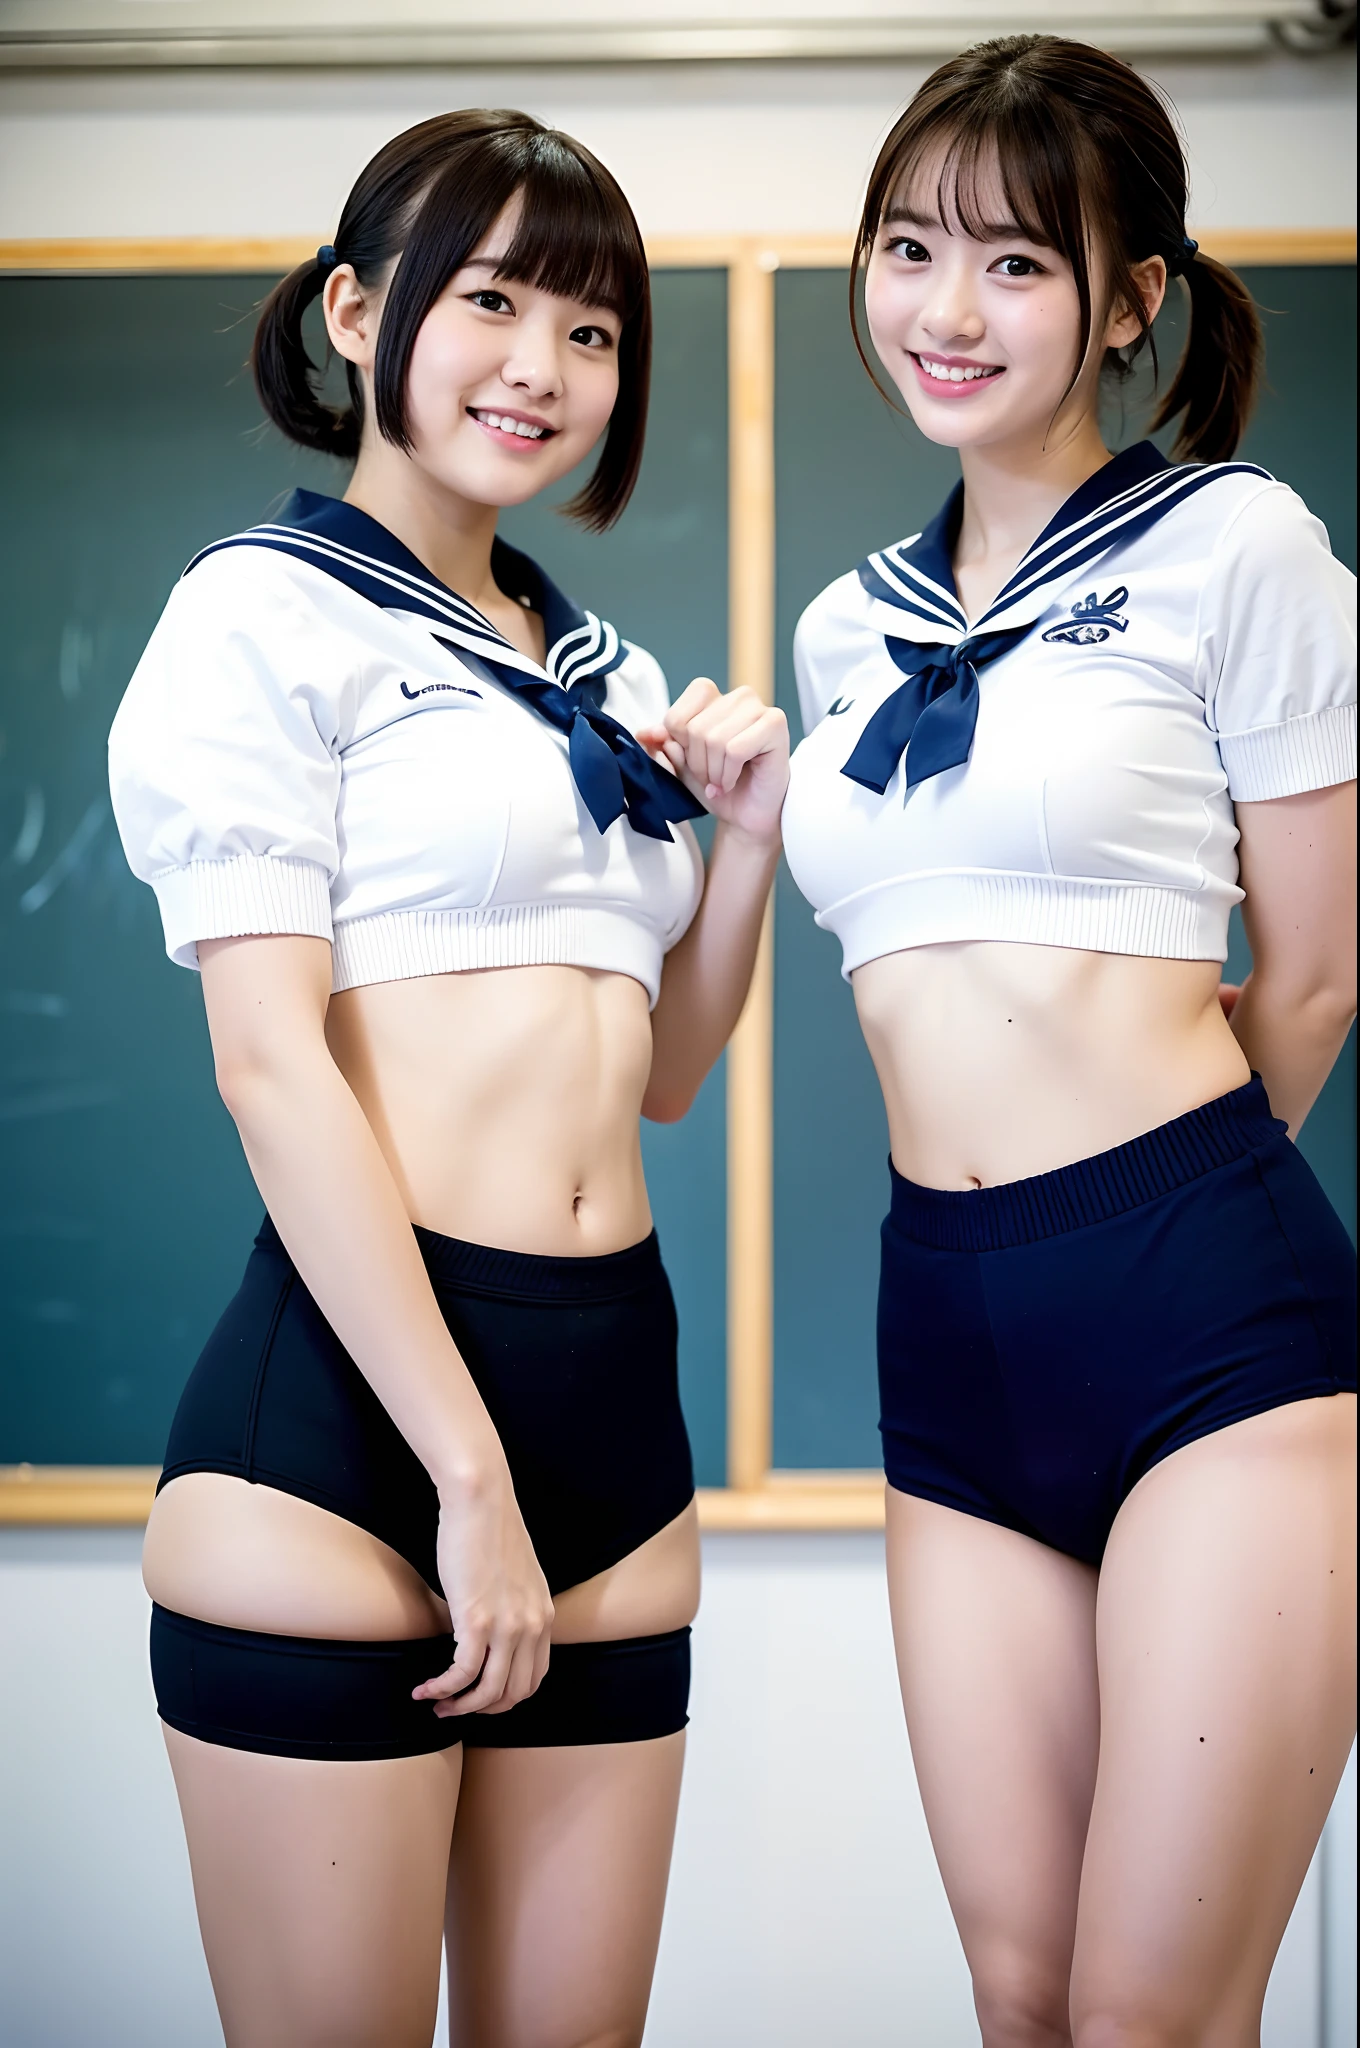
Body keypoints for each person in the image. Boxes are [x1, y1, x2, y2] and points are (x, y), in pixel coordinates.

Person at [108, 109, 788, 2048]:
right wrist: (463, 1475)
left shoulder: (597, 663)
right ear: (353, 308)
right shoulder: (256, 617)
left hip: (611, 1414)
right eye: (490, 301)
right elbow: (269, 1062)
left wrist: (737, 840)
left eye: (589, 328)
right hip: (351, 1433)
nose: (542, 368)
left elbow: (661, 1073)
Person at [781, 37, 1356, 2045]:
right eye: (908, 247)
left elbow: (1307, 973)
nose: (945, 310)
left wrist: (1158, 1214)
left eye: (1016, 264)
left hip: (1198, 1308)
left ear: (1128, 299)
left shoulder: (1235, 548)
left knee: (1145, 2016)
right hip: (941, 1326)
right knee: (1017, 1997)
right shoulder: (841, 627)